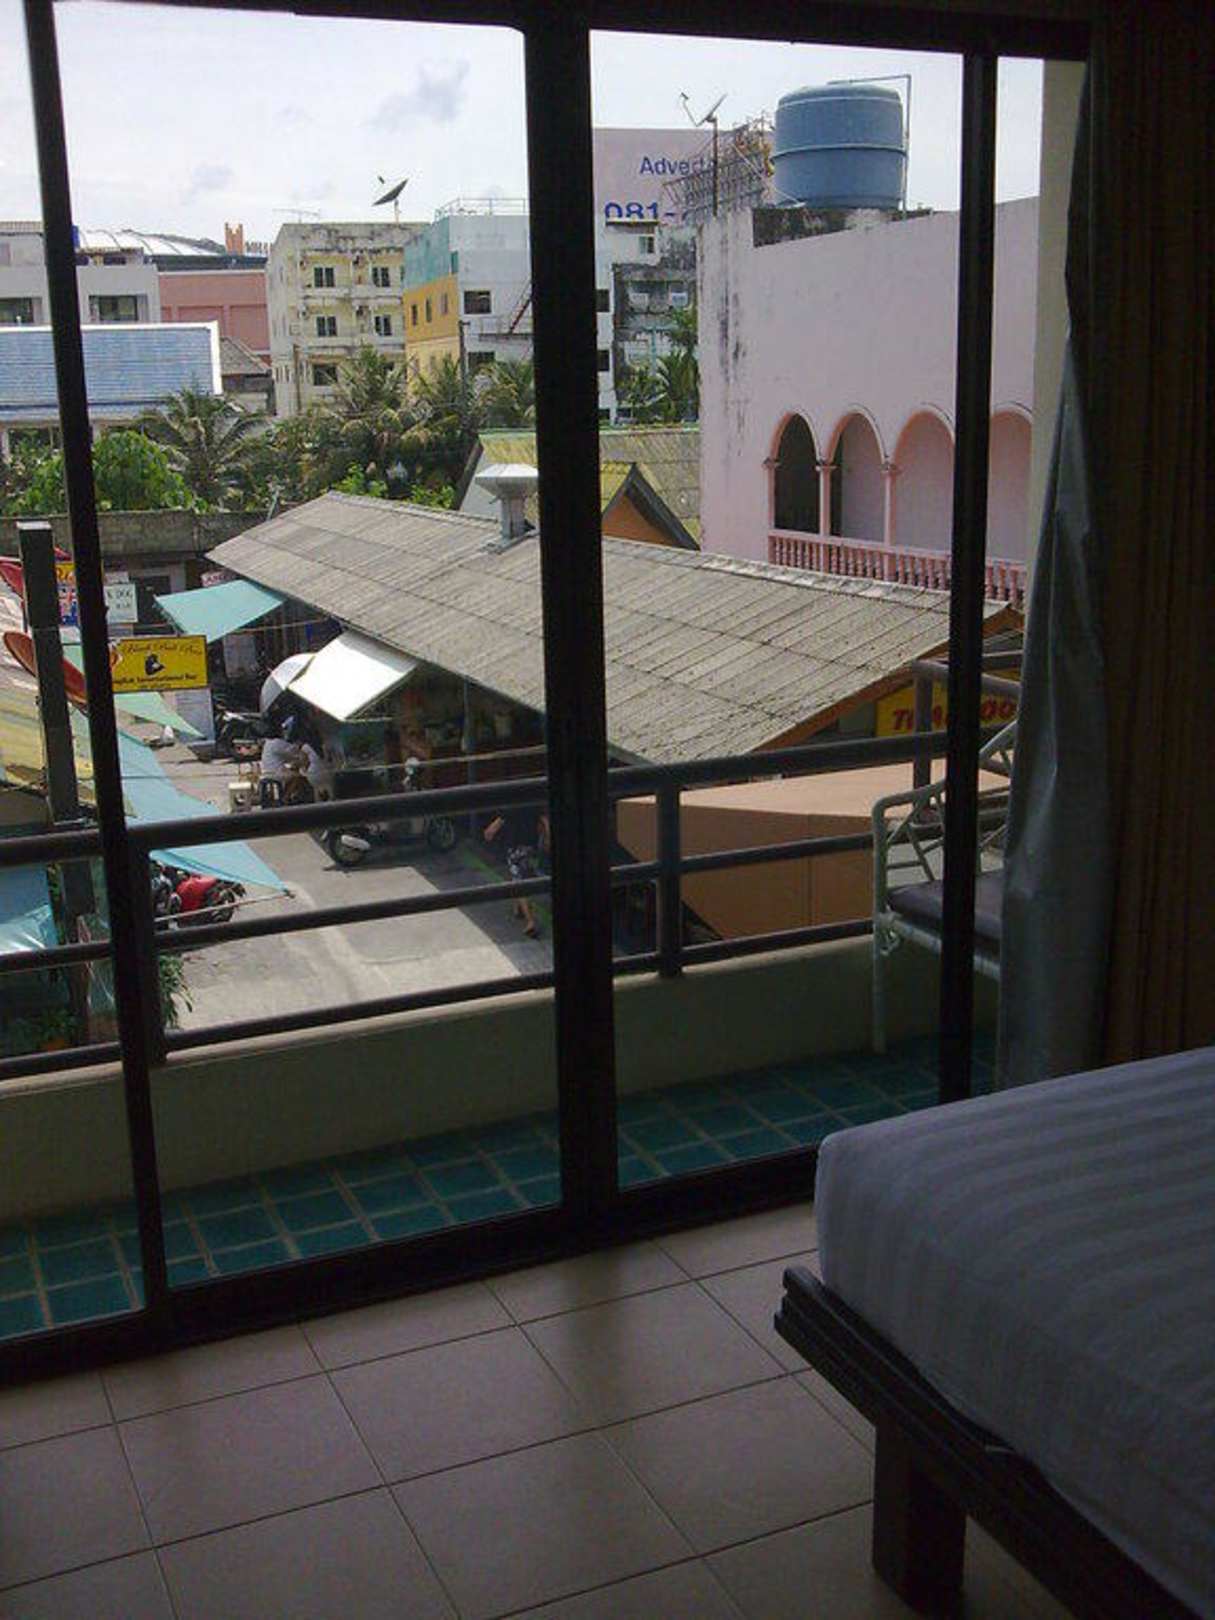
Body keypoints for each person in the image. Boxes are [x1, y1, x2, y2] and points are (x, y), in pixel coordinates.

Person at [484, 806, 549, 938]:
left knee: (519, 881)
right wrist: (547, 838)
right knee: (522, 876)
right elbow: (545, 820)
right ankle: (518, 908)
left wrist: (489, 832)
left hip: (514, 848)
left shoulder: (511, 806)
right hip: (530, 846)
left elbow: (497, 824)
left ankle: (530, 921)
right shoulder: (532, 804)